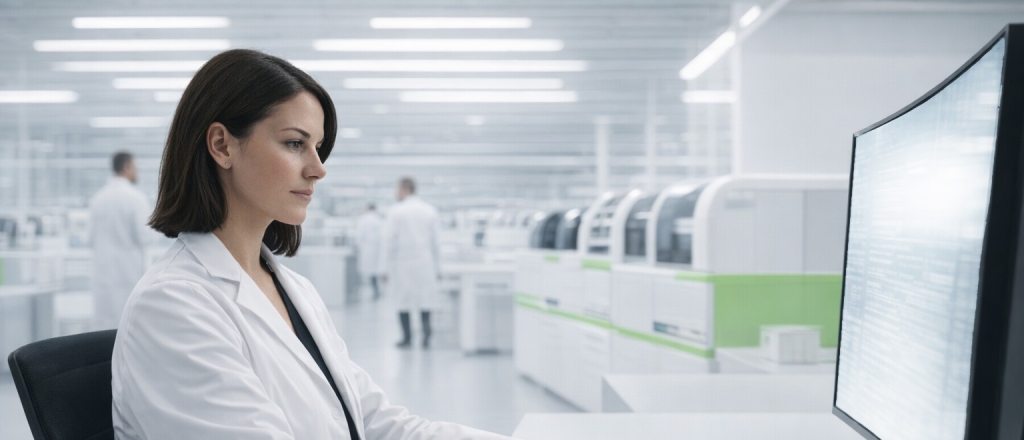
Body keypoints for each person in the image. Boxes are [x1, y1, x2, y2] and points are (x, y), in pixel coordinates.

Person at [110, 49, 511, 440]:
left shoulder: (296, 292)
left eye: (318, 147)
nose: (318, 169)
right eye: (294, 143)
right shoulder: (173, 306)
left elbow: (374, 424)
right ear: (222, 145)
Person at [89, 151, 154, 330]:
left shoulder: (97, 199)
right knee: (129, 326)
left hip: (103, 275)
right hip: (128, 274)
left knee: (104, 329)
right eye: (135, 168)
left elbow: (91, 238)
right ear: (127, 167)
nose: (136, 173)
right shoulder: (135, 198)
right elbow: (145, 236)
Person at [379, 177, 441, 349]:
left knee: (402, 301)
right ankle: (426, 336)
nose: (396, 193)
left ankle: (407, 338)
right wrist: (439, 269)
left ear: (405, 189)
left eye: (397, 189)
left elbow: (388, 242)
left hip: (402, 264)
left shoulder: (396, 211)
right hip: (425, 262)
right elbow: (436, 243)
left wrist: (384, 268)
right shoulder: (430, 211)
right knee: (425, 300)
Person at [355, 203, 383, 300]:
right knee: (374, 271)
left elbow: (359, 235)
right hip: (375, 249)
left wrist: (358, 245)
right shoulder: (378, 220)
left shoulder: (363, 219)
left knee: (367, 271)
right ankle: (376, 290)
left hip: (366, 248)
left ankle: (373, 290)